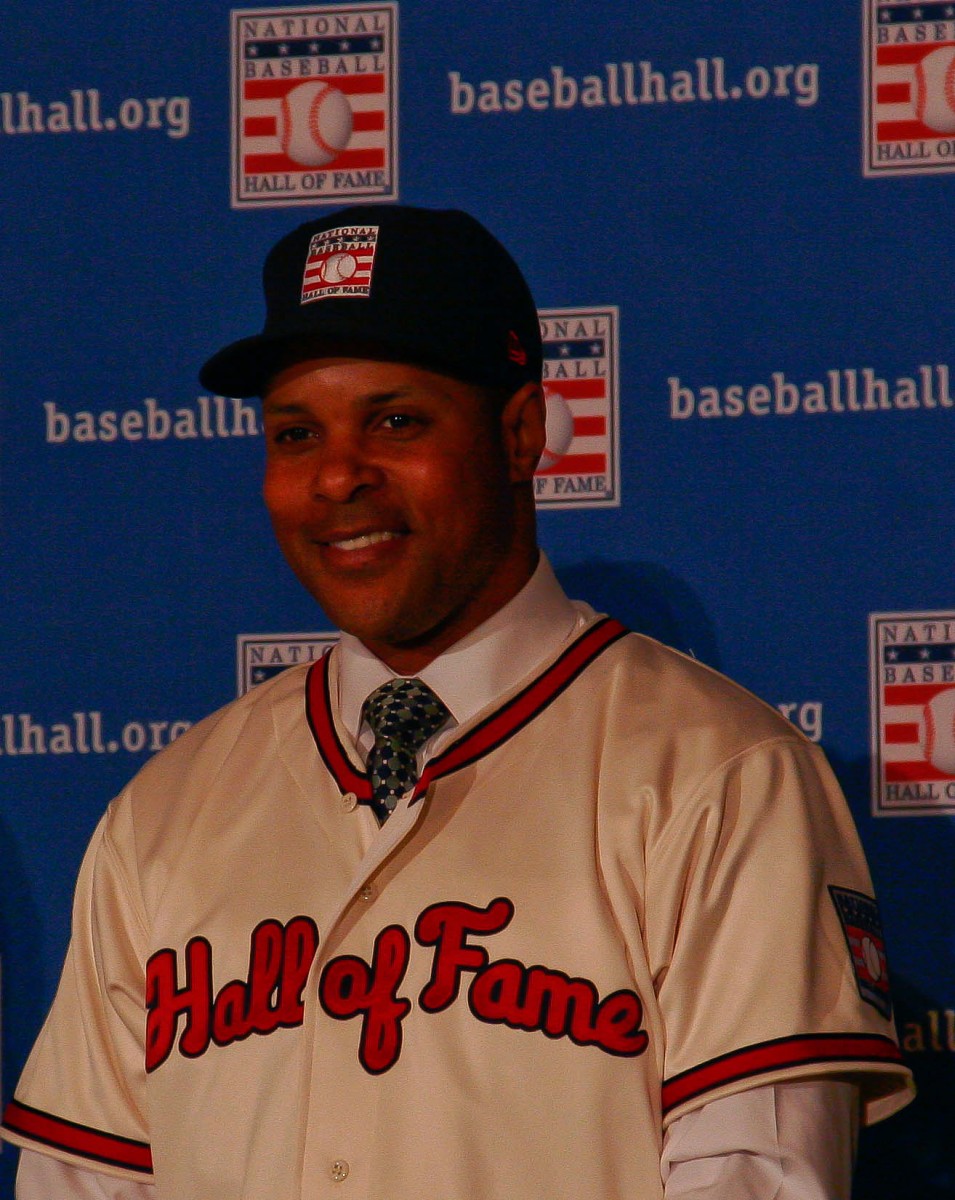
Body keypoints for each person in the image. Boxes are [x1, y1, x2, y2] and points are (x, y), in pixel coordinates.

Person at [2, 205, 913, 1199]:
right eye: (296, 433)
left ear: (519, 434)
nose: (339, 474)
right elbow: (77, 1186)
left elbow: (759, 1182)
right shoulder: (162, 816)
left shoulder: (719, 774)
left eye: (396, 420)